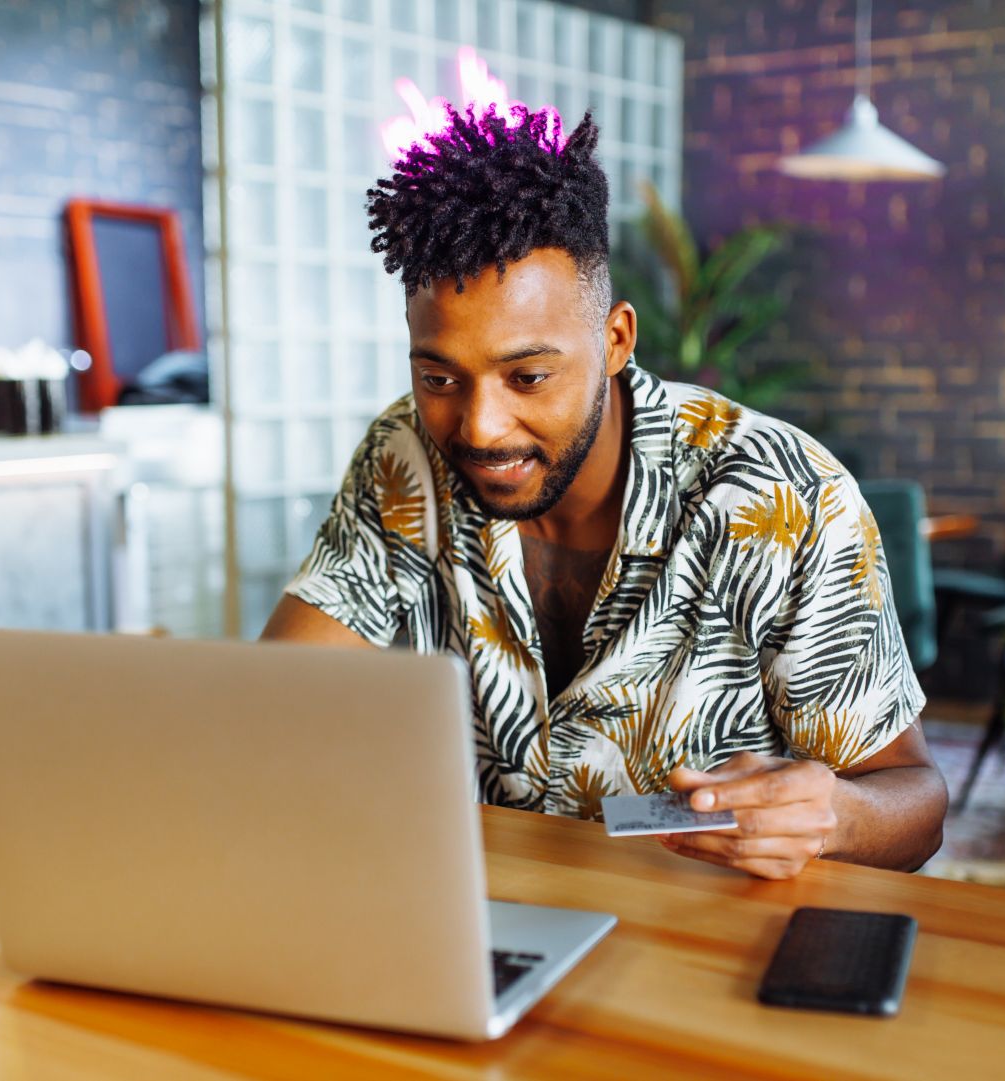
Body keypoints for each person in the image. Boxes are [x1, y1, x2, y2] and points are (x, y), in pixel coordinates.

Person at [262, 103, 946, 880]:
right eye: (440, 377)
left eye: (529, 376)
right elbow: (274, 703)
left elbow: (915, 802)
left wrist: (835, 814)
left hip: (702, 943)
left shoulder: (781, 496)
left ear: (615, 339)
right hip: (469, 929)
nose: (481, 426)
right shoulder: (406, 455)